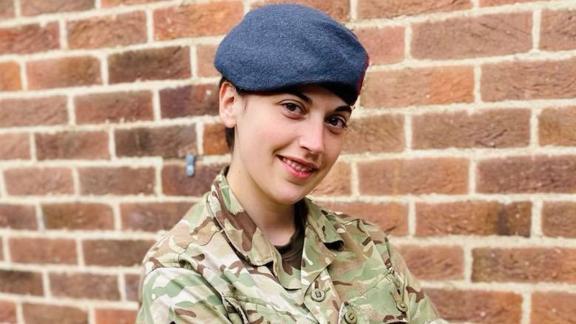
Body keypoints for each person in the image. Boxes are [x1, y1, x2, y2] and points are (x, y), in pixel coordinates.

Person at [137, 4, 446, 323]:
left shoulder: (368, 245)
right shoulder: (183, 273)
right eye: (293, 107)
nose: (315, 142)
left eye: (335, 120)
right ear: (231, 104)